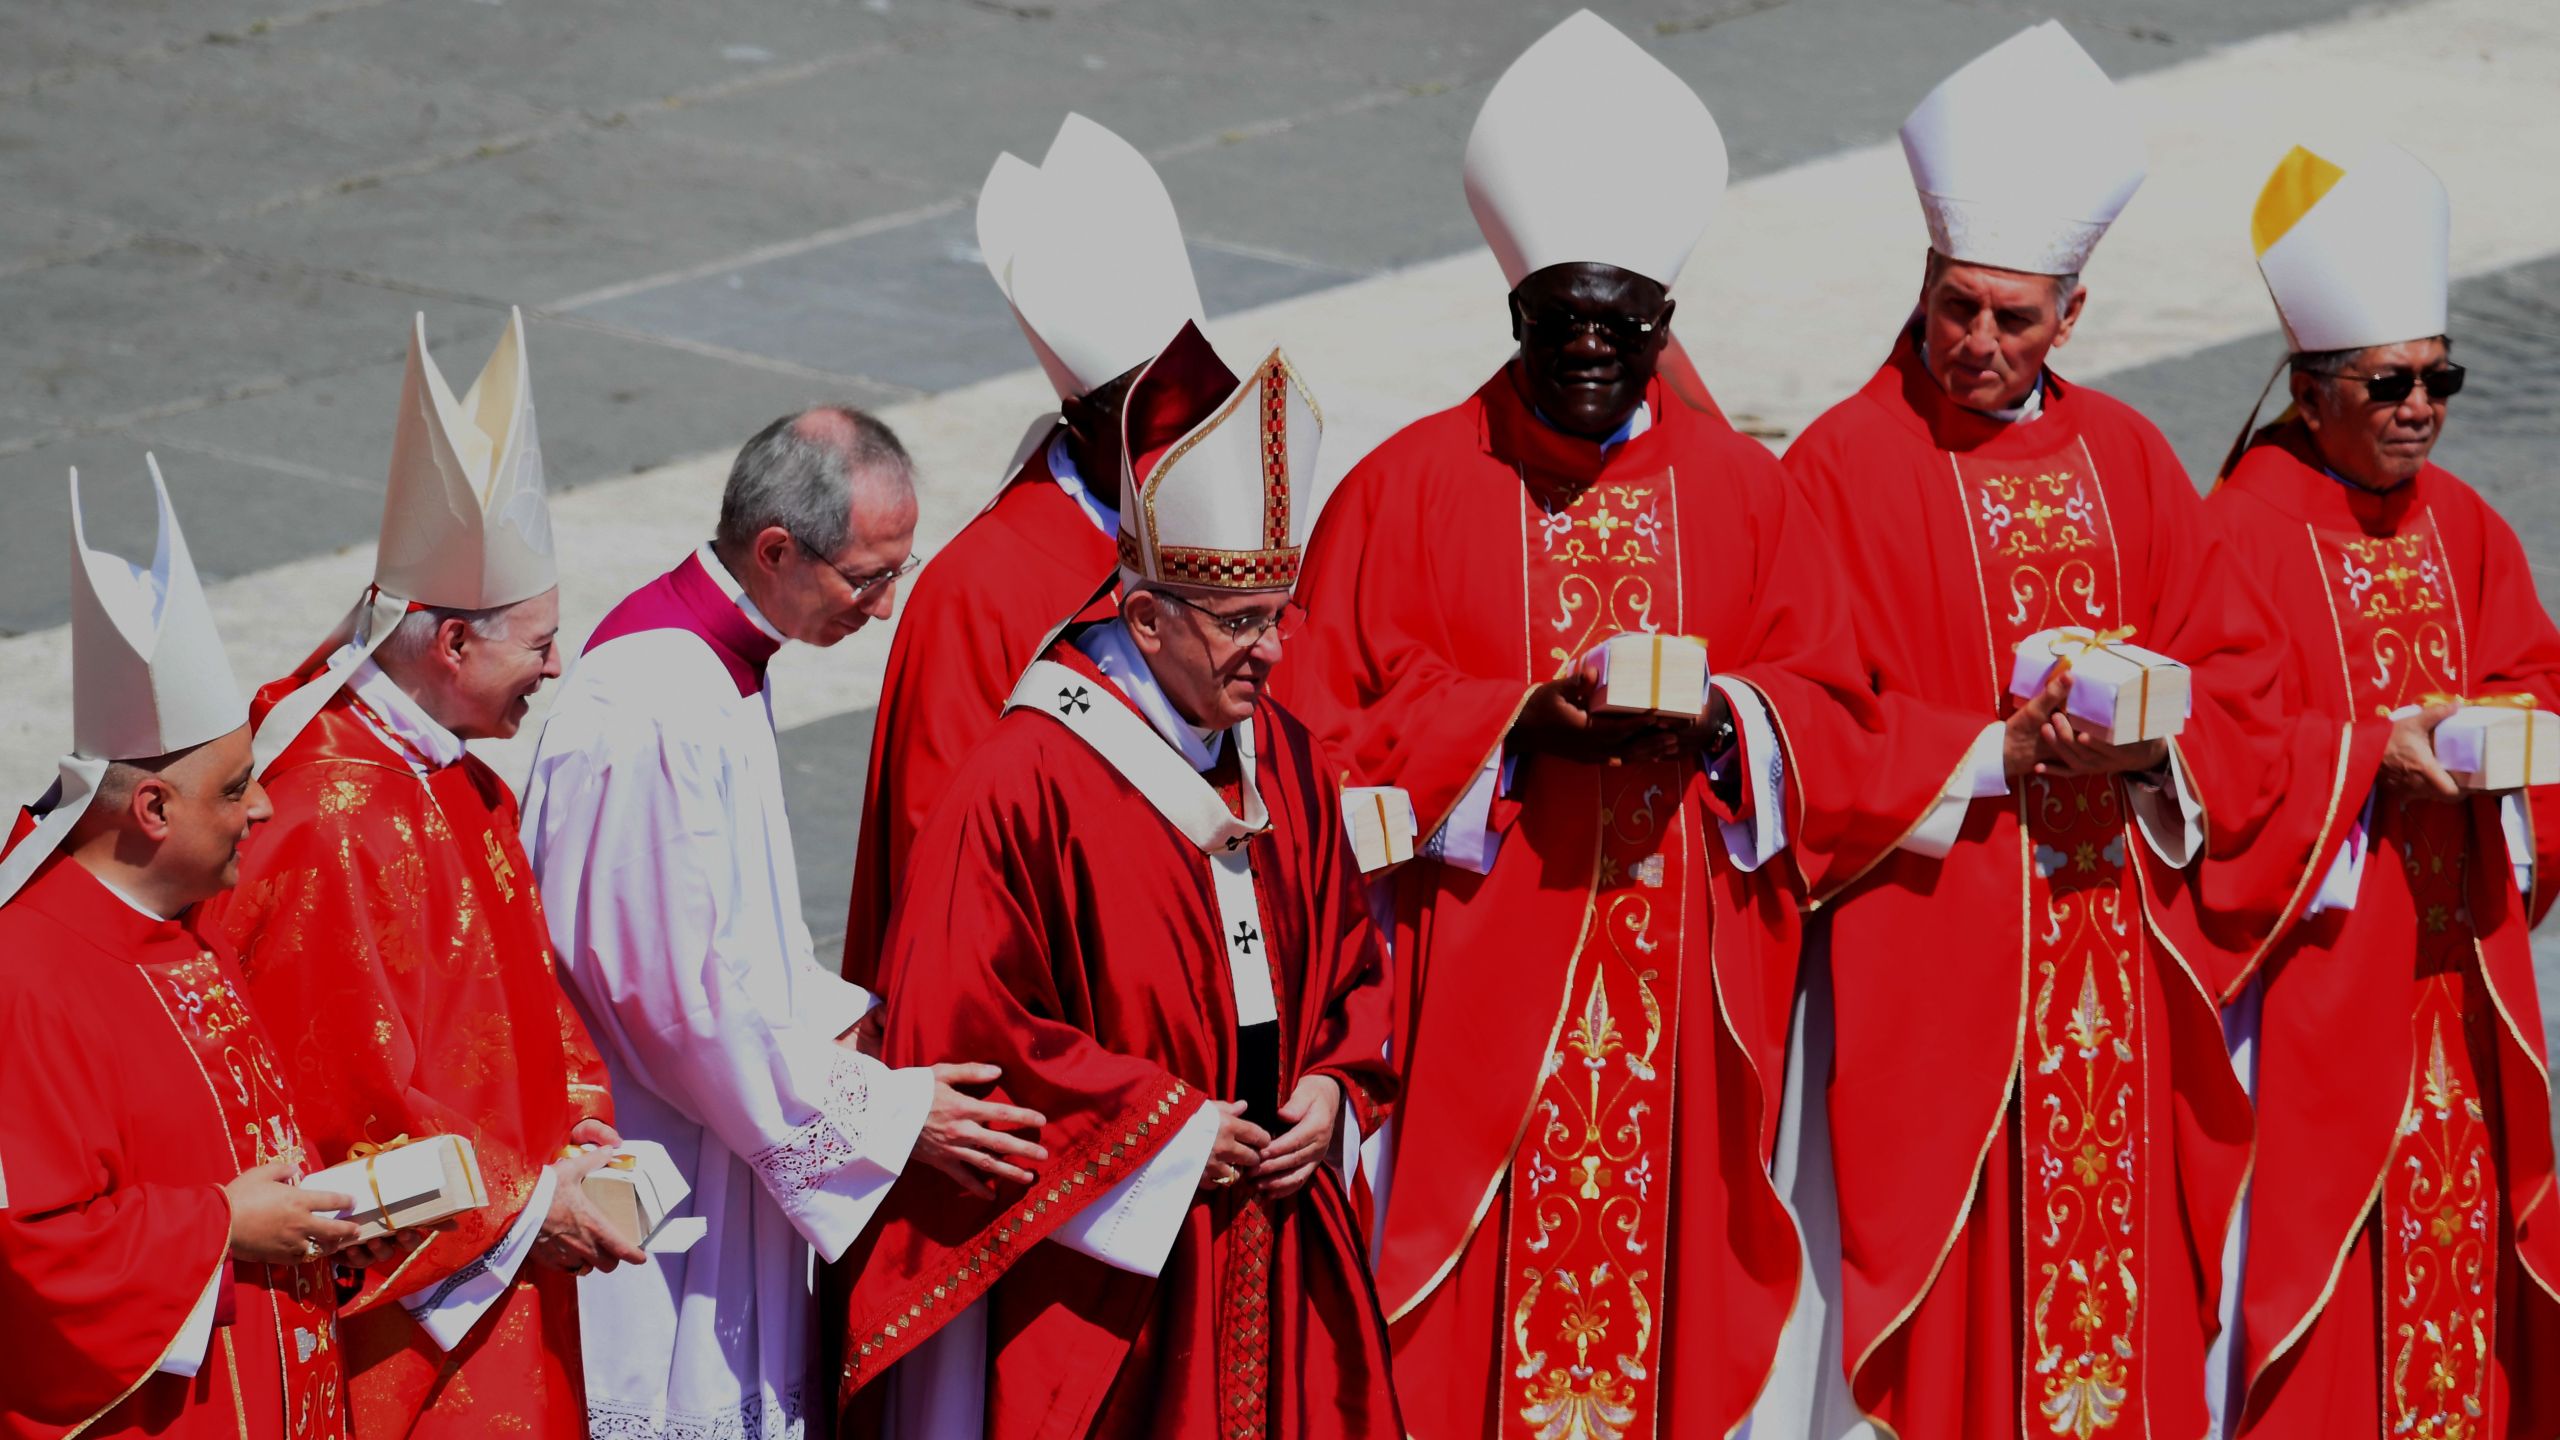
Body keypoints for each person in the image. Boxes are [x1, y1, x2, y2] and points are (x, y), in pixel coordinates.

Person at [1271, 14, 1981, 1437]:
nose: (1589, 350)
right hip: (1466, 999)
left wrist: (1728, 720)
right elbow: (1307, 744)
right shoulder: (1405, 491)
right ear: (1515, 310)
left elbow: (1838, 706)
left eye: (1622, 325)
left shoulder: (1743, 493)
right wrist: (1517, 728)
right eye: (1560, 321)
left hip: (1680, 998)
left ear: (1665, 326)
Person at [1769, 25, 2345, 1439]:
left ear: (2073, 318)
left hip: (2117, 975)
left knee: (2106, 1305)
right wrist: (1994, 758)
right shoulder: (1840, 466)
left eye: (2013, 319)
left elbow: (2247, 692)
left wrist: (2152, 746)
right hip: (1933, 972)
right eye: (1955, 303)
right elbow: (1802, 713)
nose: (1975, 341)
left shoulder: (2131, 459)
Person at [835, 320, 1401, 1439]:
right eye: (1238, 624)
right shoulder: (1026, 777)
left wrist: (1335, 1088)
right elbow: (967, 1029)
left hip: (1270, 1230)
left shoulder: (1280, 750)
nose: (1272, 653)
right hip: (1105, 1261)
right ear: (1145, 617)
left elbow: (1351, 962)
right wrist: (1165, 1129)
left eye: (1277, 618)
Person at [519, 406, 1042, 1440]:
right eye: (868, 577)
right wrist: (877, 1110)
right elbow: (670, 1002)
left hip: (725, 1136)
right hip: (663, 1163)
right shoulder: (651, 704)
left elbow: (732, 942)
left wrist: (854, 1026)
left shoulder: (723, 664)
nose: (888, 608)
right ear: (775, 551)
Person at [205, 311, 638, 1439]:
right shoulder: (317, 818)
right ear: (448, 647)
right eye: (537, 644)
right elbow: (334, 1089)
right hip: (419, 1306)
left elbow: (524, 989)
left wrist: (579, 1123)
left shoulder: (451, 766)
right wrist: (530, 1199)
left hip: (506, 1243)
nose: (557, 666)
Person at [2206, 142, 2560, 1439]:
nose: (2421, 407)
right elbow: (2223, 750)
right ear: (2309, 393)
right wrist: (2370, 759)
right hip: (2320, 975)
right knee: (2325, 1288)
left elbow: (2534, 670)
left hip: (2452, 981)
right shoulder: (2239, 529)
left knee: (2452, 1271)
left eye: (2441, 379)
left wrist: (2511, 753)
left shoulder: (2464, 522)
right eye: (2390, 383)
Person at [0, 462, 384, 1437]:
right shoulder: (31, 971)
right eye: (235, 788)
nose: (262, 807)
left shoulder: (188, 916)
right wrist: (223, 1227)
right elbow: (31, 1248)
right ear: (154, 808)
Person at [843, 112, 1204, 992]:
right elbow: (948, 855)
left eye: (1200, 397)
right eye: (1148, 414)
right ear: (1080, 423)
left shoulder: (1223, 523)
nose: (1184, 438)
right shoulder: (981, 590)